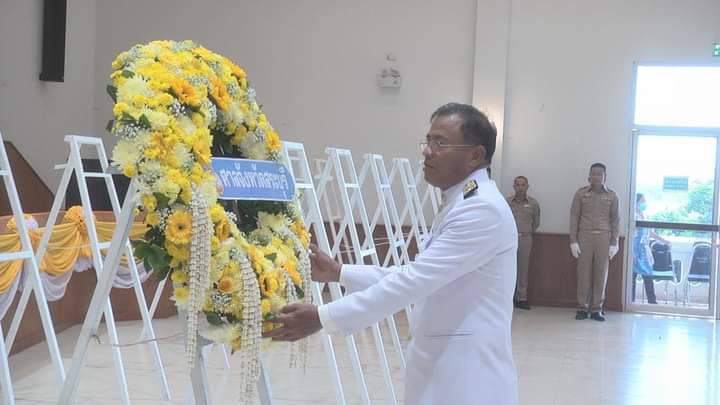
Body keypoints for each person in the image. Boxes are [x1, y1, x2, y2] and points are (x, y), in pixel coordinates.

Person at [265, 103, 519, 405]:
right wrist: (339, 272)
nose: (427, 151)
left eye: (440, 143)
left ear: (475, 155)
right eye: (428, 141)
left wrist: (323, 317)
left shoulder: (480, 209)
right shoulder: (461, 201)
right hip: (444, 369)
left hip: (467, 379)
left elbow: (413, 282)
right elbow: (418, 275)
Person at [569, 163, 619, 322]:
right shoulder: (581, 194)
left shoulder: (612, 196)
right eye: (593, 173)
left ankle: (597, 308)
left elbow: (615, 220)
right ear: (589, 176)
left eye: (599, 174)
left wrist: (614, 242)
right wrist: (573, 240)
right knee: (583, 273)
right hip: (584, 236)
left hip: (604, 237)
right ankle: (582, 307)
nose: (596, 176)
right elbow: (574, 216)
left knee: (601, 273)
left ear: (605, 177)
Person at [506, 176, 540, 310]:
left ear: (527, 187)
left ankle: (522, 298)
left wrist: (526, 232)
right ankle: (508, 297)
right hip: (509, 239)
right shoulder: (507, 202)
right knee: (508, 268)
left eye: (523, 185)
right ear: (514, 187)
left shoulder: (533, 204)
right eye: (518, 185)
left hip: (525, 238)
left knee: (523, 269)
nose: (520, 188)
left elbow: (536, 223)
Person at [632, 193, 671, 304]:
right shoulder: (633, 216)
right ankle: (631, 301)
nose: (644, 203)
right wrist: (632, 253)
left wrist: (665, 241)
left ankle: (652, 301)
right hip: (635, 249)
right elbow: (632, 236)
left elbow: (651, 233)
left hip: (644, 250)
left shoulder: (645, 216)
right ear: (636, 202)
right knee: (632, 276)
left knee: (648, 275)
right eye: (642, 201)